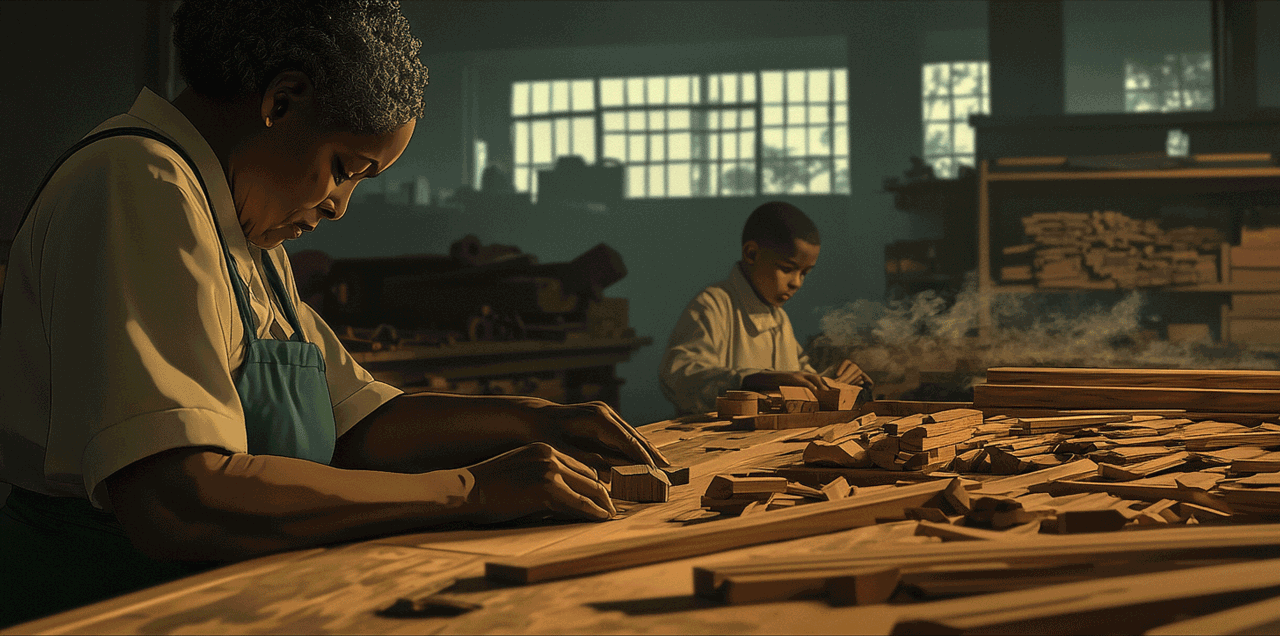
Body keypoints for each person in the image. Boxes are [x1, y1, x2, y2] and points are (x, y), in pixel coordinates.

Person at [0, 0, 665, 627]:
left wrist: (535, 418)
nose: (340, 206)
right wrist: (469, 490)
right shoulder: (138, 183)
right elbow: (176, 498)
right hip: (107, 604)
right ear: (281, 101)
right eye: (344, 168)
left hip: (217, 596)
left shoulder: (240, 228)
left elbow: (356, 425)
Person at [659, 201, 872, 415]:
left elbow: (803, 380)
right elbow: (680, 379)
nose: (796, 283)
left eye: (804, 273)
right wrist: (758, 380)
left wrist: (838, 380)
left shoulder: (779, 319)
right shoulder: (713, 305)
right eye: (788, 269)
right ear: (752, 254)